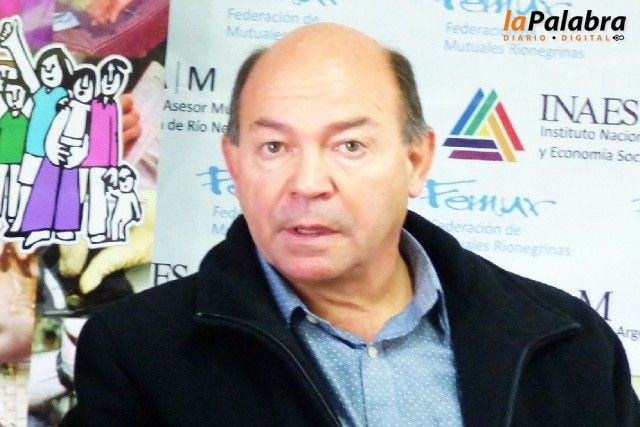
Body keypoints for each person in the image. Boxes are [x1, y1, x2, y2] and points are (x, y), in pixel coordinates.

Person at [62, 23, 640, 426]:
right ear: (234, 164)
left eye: (350, 145)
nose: (308, 182)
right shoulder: (137, 354)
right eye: (273, 146)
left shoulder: (570, 345)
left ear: (416, 160)